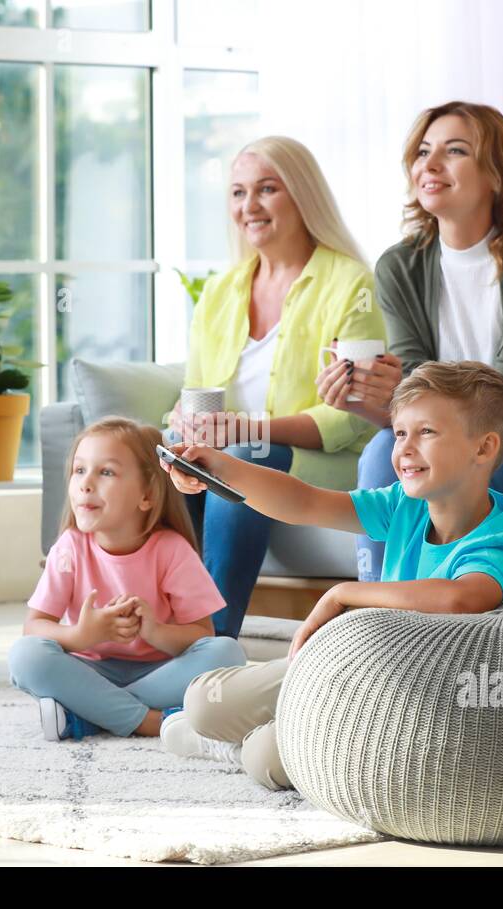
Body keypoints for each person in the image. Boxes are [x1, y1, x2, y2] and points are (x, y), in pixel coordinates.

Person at [159, 362, 503, 789]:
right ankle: (239, 729)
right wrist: (218, 467)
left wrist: (345, 594)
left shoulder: (501, 538)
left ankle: (230, 744)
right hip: (369, 674)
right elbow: (304, 502)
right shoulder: (404, 505)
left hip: (420, 701)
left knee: (267, 760)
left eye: (426, 433)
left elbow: (461, 598)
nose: (405, 449)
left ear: (484, 448)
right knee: (201, 701)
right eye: (400, 433)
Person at [330, 102, 503, 583]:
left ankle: (449, 621)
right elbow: (415, 394)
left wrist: (413, 406)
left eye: (454, 151)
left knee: (424, 455)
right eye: (422, 152)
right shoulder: (399, 266)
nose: (430, 165)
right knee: (381, 450)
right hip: (436, 435)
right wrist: (365, 403)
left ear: (498, 174)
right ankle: (375, 615)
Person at [166, 135, 385, 639]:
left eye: (267, 189)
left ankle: (212, 649)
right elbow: (195, 389)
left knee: (245, 456)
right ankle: (135, 647)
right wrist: (186, 420)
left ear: (302, 195)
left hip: (329, 462)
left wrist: (246, 430)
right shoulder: (222, 290)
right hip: (236, 451)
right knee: (150, 456)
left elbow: (351, 415)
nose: (250, 206)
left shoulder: (350, 282)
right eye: (239, 193)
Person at [9, 417, 246, 741]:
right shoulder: (70, 547)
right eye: (79, 470)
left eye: (105, 472)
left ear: (146, 494)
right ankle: (151, 720)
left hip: (160, 671)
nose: (86, 483)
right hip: (88, 670)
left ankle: (90, 715)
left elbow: (202, 635)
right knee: (25, 656)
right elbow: (34, 627)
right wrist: (81, 635)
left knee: (227, 654)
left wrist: (155, 632)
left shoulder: (172, 550)